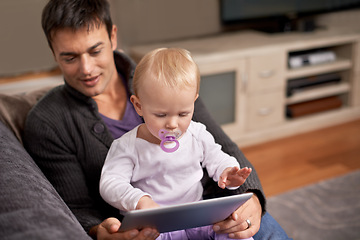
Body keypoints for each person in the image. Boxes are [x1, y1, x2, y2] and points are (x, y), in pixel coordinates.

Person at [23, 0, 291, 239]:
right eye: (69, 57)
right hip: (148, 229)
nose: (86, 68)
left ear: (113, 37)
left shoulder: (166, 79)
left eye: (95, 51)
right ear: (53, 53)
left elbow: (222, 149)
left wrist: (252, 196)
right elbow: (77, 206)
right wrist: (99, 230)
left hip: (212, 211)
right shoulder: (48, 122)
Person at [99, 48, 253, 240]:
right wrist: (139, 201)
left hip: (197, 217)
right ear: (139, 106)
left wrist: (228, 172)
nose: (172, 124)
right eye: (161, 115)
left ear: (193, 103)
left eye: (183, 114)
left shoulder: (197, 133)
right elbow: (110, 183)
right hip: (155, 226)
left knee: (234, 234)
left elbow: (217, 156)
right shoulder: (127, 146)